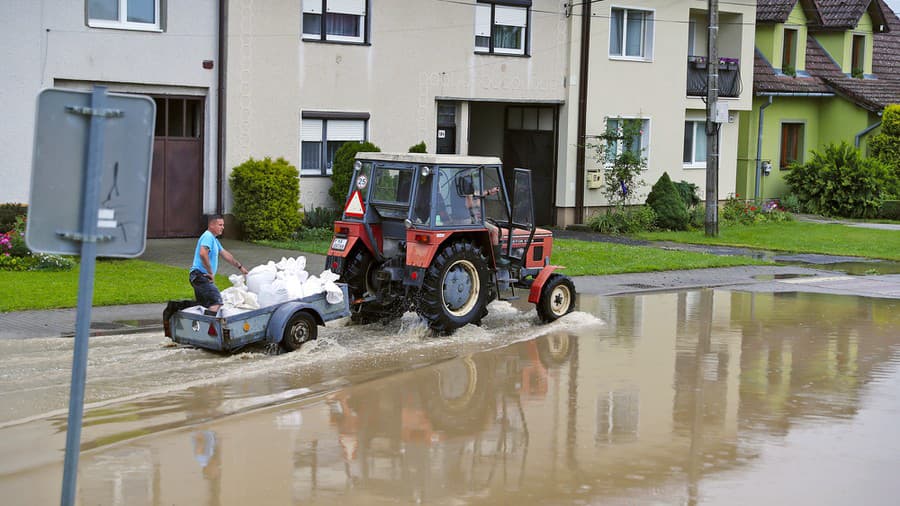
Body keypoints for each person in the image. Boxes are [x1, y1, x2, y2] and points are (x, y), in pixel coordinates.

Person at [190, 215, 249, 314]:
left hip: (198, 276)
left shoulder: (214, 240)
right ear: (212, 225)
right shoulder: (208, 236)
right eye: (220, 225)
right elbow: (202, 253)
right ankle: (208, 327)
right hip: (201, 276)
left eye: (223, 225)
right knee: (216, 302)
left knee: (204, 306)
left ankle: (200, 324)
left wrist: (240, 267)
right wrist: (210, 272)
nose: (223, 227)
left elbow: (226, 255)